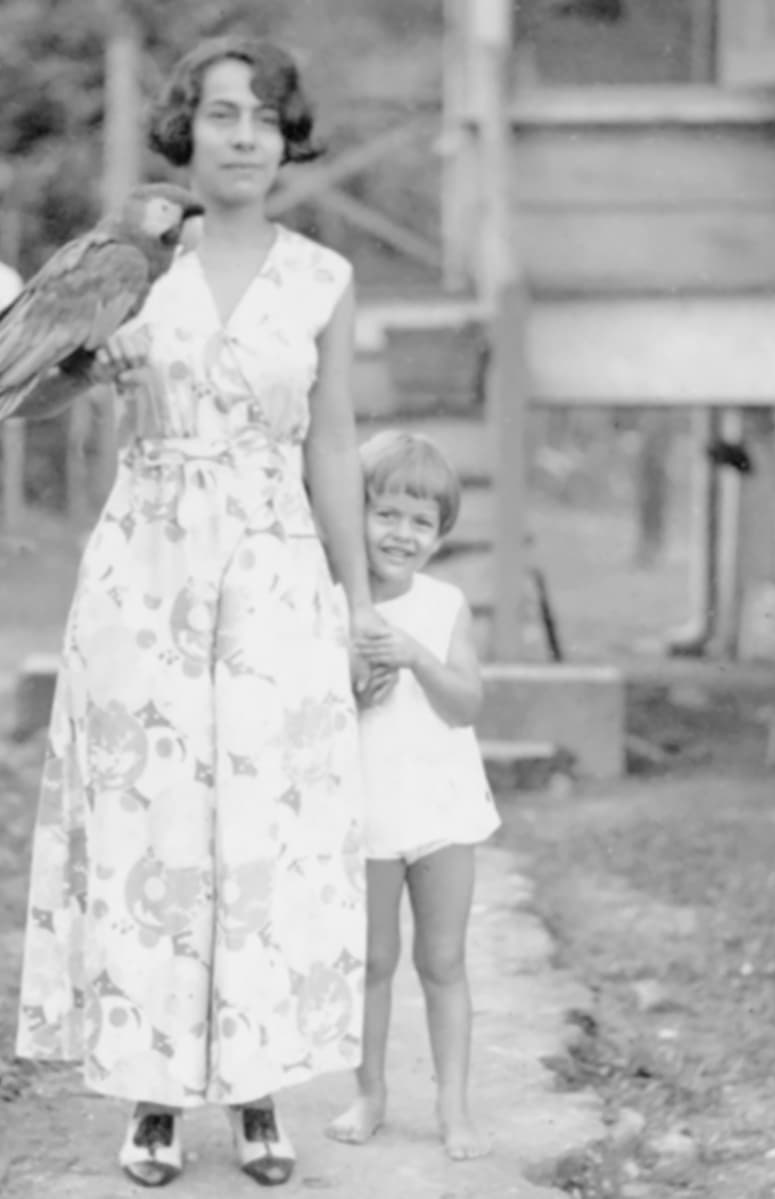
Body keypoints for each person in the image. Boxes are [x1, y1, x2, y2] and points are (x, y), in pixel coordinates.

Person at [13, 36, 379, 1190]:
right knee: (151, 817)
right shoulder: (126, 263)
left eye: (265, 118)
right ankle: (154, 1095)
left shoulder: (322, 277)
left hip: (273, 570)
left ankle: (261, 1093)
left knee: (265, 826)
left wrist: (356, 597)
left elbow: (331, 448)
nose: (242, 136)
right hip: (148, 564)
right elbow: (20, 399)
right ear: (187, 130)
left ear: (286, 140)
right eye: (221, 114)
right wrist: (88, 365)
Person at [325, 430, 498, 1161]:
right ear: (355, 514)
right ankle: (370, 1092)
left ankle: (453, 1105)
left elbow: (465, 705)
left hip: (442, 808)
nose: (402, 533)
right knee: (372, 959)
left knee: (444, 959)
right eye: (386, 513)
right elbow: (322, 708)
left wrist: (416, 656)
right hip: (367, 809)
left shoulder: (445, 602)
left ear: (440, 535)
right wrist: (359, 687)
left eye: (421, 522)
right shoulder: (333, 600)